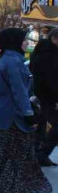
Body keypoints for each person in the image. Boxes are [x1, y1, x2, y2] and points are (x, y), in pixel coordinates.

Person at [0, 28, 52, 193]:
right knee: (16, 156)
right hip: (12, 120)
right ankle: (4, 192)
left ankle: (3, 192)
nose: (27, 43)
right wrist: (28, 114)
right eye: (24, 40)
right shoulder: (15, 63)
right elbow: (19, 92)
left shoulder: (3, 60)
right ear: (14, 42)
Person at [32, 28, 58, 166]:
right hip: (49, 97)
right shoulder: (51, 55)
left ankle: (35, 153)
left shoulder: (40, 52)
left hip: (41, 95)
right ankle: (41, 154)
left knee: (41, 124)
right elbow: (53, 80)